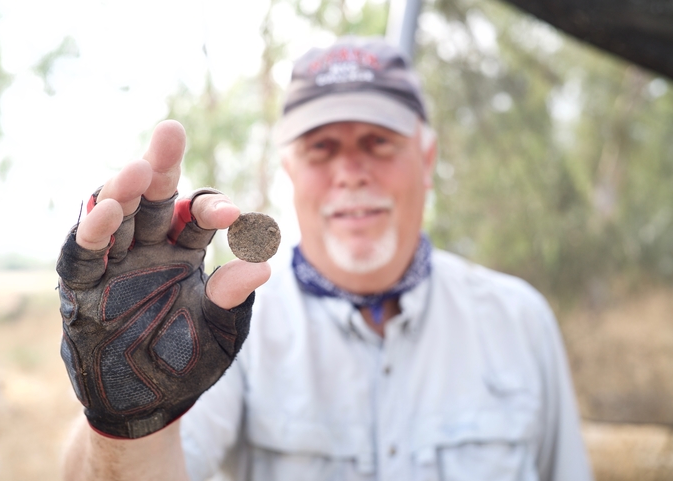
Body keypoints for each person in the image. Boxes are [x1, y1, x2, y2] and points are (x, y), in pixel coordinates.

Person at [58, 36, 592, 481]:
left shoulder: (519, 320)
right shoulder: (225, 326)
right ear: (289, 167)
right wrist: (128, 425)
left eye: (379, 141)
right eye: (321, 147)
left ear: (426, 159)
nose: (351, 171)